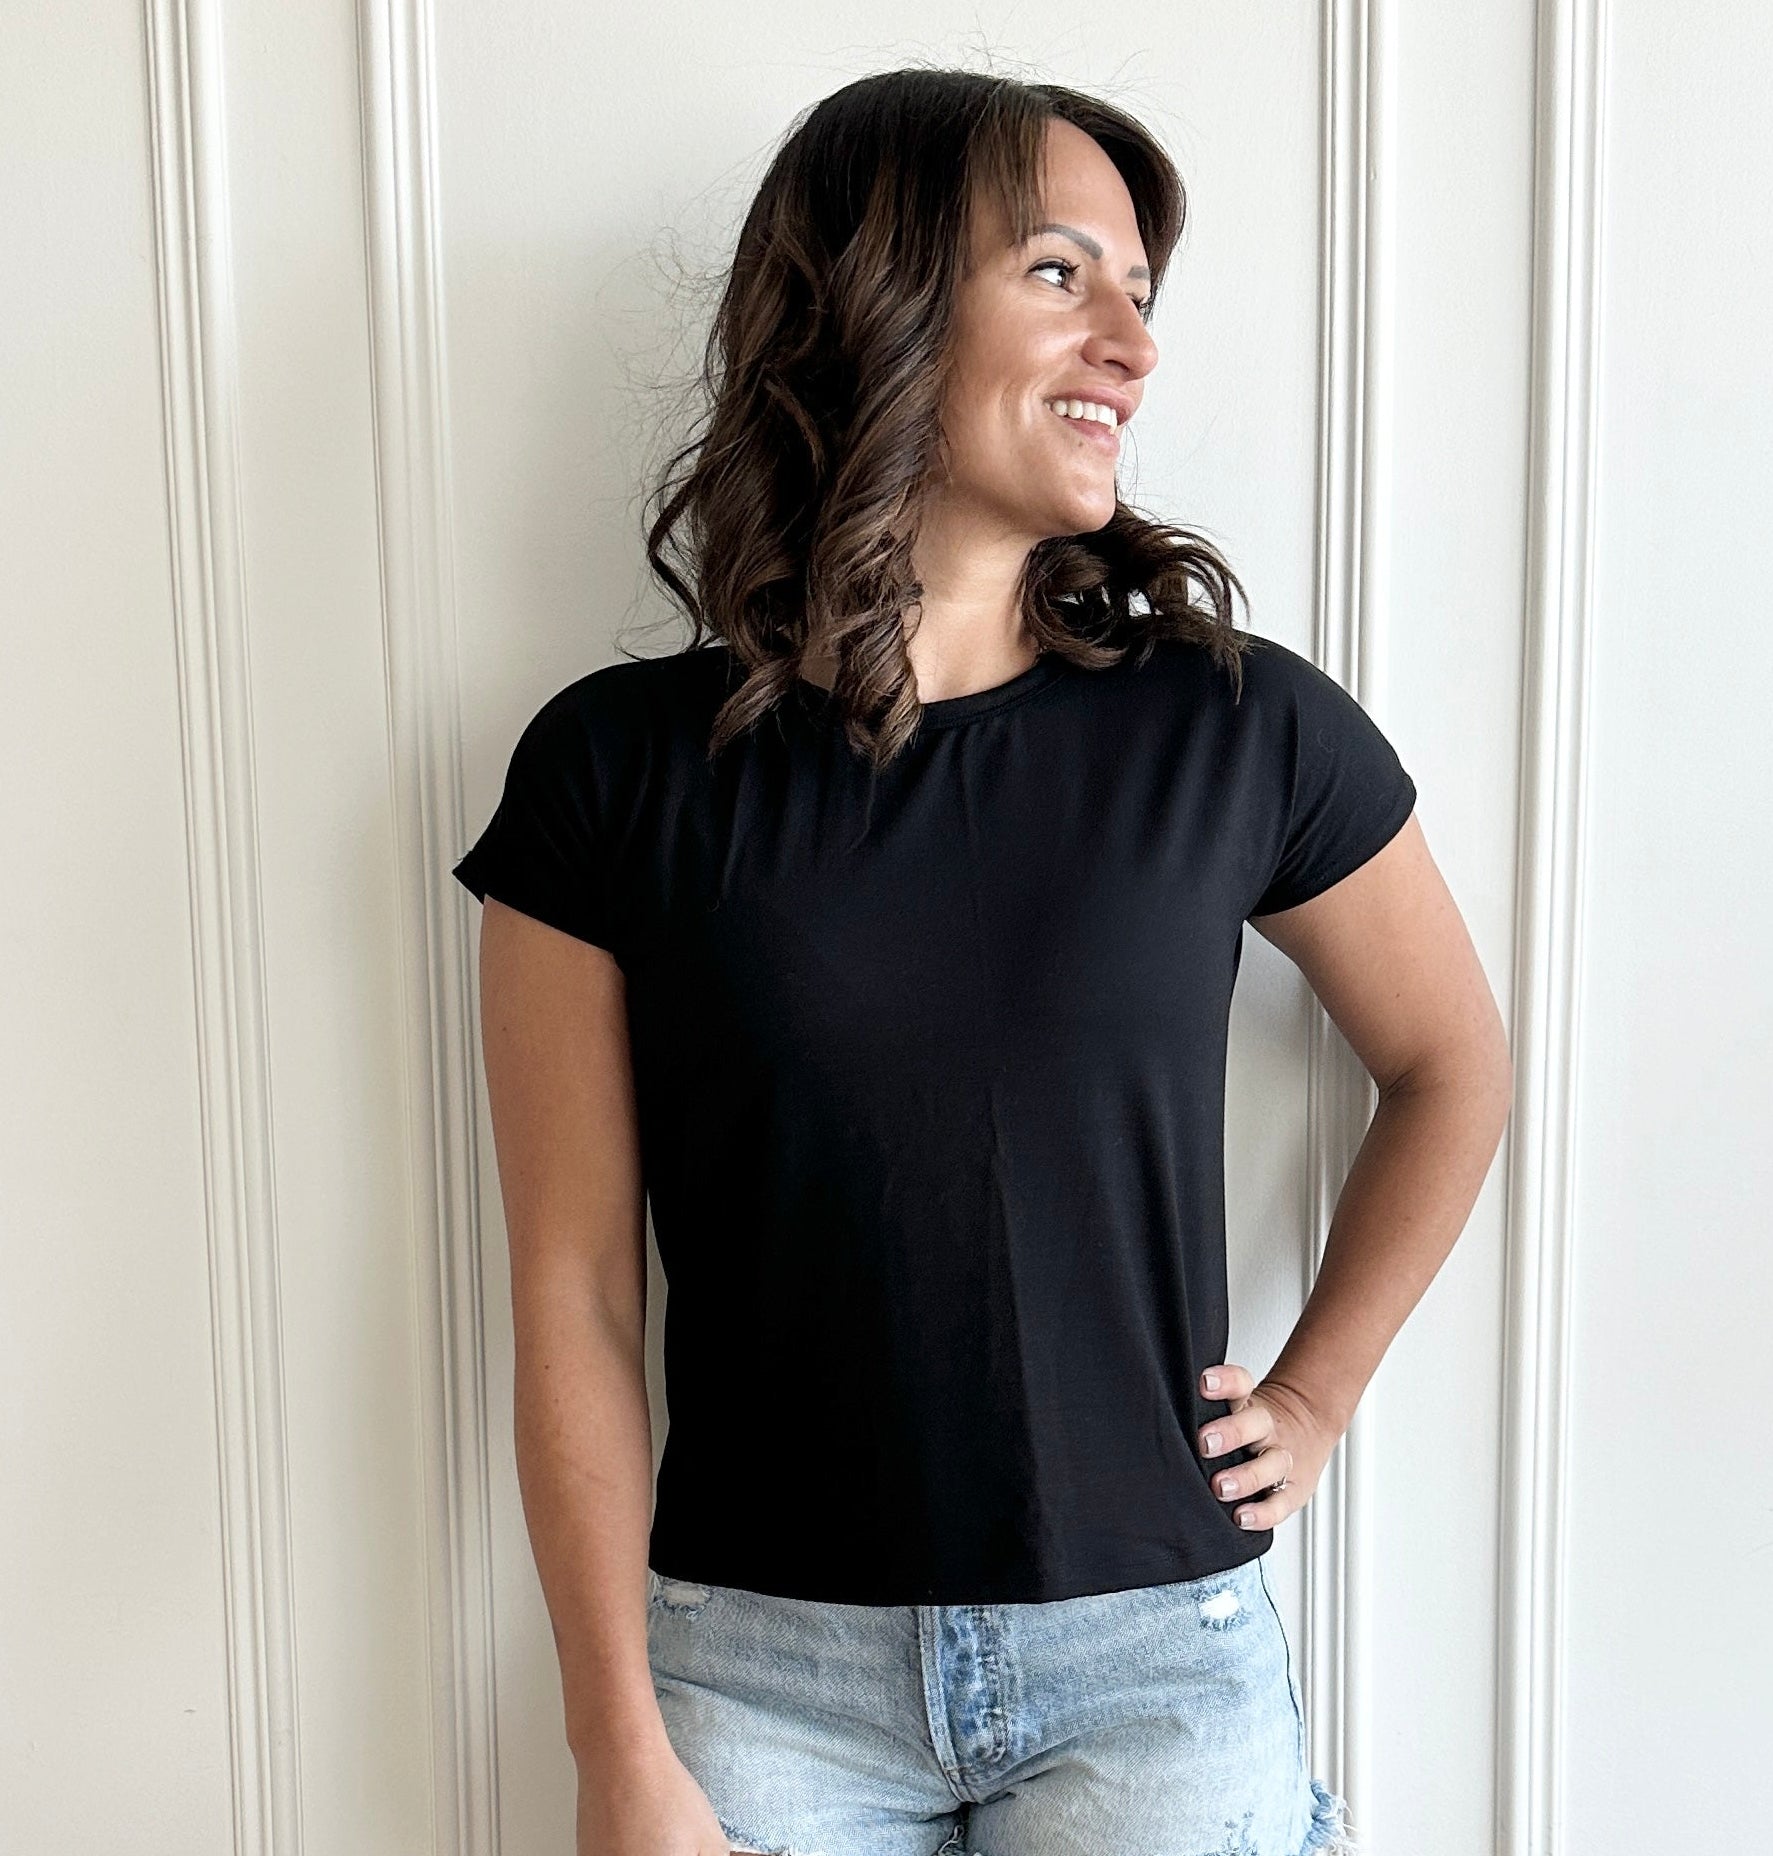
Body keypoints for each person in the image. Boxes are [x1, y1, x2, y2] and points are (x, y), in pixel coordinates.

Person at [453, 67, 1511, 1856]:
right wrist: (615, 1745)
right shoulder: (614, 771)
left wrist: (1318, 1392)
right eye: (1058, 273)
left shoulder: (1240, 734)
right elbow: (568, 1288)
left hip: (1154, 1680)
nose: (1132, 345)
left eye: (1141, 295)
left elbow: (1449, 1063)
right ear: (873, 297)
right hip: (753, 1685)